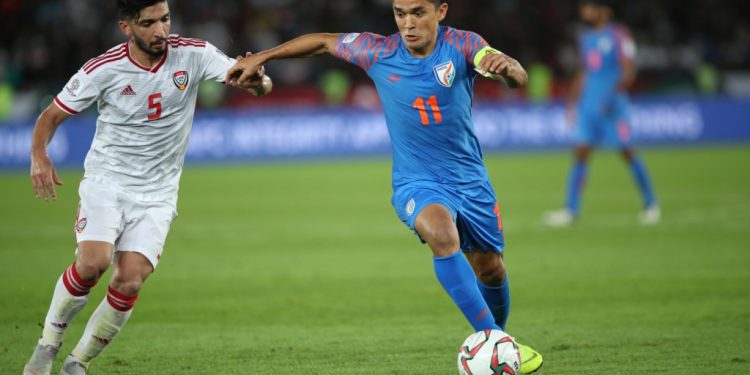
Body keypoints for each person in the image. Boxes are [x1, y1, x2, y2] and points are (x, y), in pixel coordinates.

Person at [226, 0, 543, 373]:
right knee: (441, 235)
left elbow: (517, 76)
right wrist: (262, 56)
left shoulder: (463, 45)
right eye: (399, 13)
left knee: (491, 269)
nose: (408, 23)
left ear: (441, 11)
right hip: (416, 181)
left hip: (470, 181)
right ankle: (495, 341)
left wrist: (508, 69)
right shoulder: (378, 51)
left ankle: (500, 342)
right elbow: (323, 42)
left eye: (418, 12)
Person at [23, 1, 271, 374]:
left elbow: (253, 80)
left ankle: (78, 362)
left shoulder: (194, 54)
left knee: (130, 279)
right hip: (108, 180)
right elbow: (51, 115)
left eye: (165, 19)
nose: (161, 30)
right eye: (149, 23)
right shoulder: (102, 69)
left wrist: (260, 82)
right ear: (127, 27)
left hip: (157, 193)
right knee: (93, 263)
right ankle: (47, 345)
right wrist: (39, 155)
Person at [544, 0, 659, 227]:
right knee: (580, 153)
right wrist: (572, 103)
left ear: (604, 11)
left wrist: (612, 97)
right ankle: (571, 210)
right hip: (588, 107)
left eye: (589, 7)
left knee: (627, 151)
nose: (584, 11)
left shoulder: (619, 35)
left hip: (612, 107)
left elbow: (628, 70)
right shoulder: (585, 39)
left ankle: (651, 204)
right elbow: (584, 72)